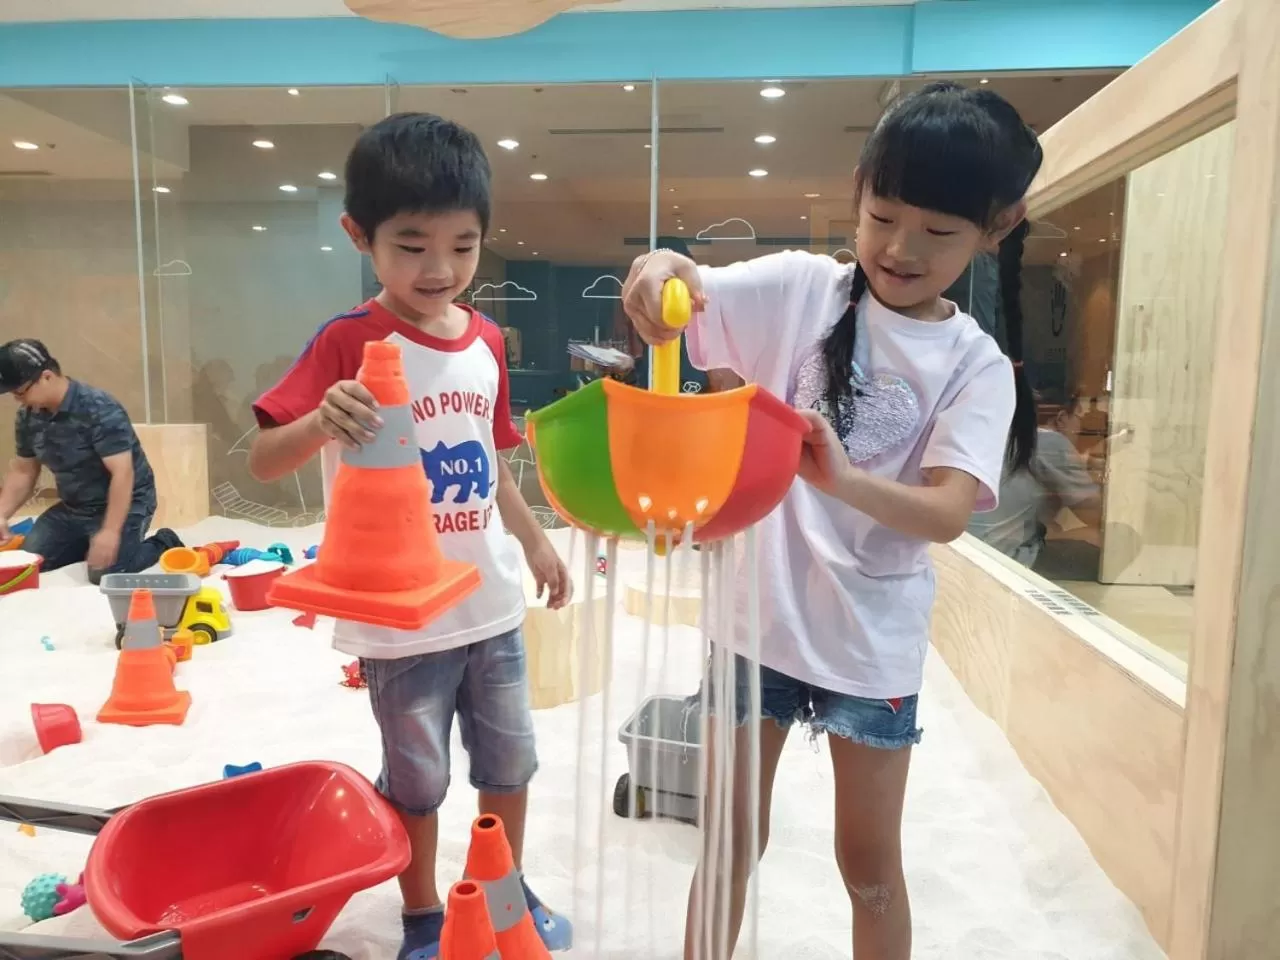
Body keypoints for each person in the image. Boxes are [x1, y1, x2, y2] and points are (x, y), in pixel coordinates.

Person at [622, 81, 1042, 960]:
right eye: (884, 215)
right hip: (757, 619)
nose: (900, 248)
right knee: (729, 839)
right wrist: (661, 266)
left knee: (869, 867)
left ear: (994, 229)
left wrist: (842, 479)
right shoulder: (801, 289)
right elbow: (688, 292)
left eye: (938, 232)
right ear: (858, 190)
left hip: (869, 642)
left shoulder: (976, 365)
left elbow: (947, 514)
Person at [247, 113, 573, 960]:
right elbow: (263, 460)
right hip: (399, 620)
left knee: (511, 767)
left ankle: (503, 891)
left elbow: (490, 463)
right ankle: (425, 911)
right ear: (362, 236)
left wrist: (535, 542)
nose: (440, 270)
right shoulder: (348, 340)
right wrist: (322, 418)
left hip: (490, 607)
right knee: (419, 779)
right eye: (411, 245)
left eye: (462, 246)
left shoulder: (489, 341)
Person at [0, 339, 182, 583]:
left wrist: (110, 531)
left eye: (20, 392)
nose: (17, 400)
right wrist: (2, 514)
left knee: (106, 573)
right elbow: (24, 471)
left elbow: (123, 473)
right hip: (75, 506)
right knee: (30, 562)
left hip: (127, 502)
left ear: (46, 377)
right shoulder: (28, 416)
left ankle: (164, 541)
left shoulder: (99, 408)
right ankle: (87, 542)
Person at [967, 397, 1102, 569]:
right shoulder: (1048, 440)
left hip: (965, 553)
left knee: (1054, 526)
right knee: (1114, 538)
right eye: (1079, 417)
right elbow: (1094, 515)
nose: (1081, 427)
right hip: (1006, 559)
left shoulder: (998, 434)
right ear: (1062, 418)